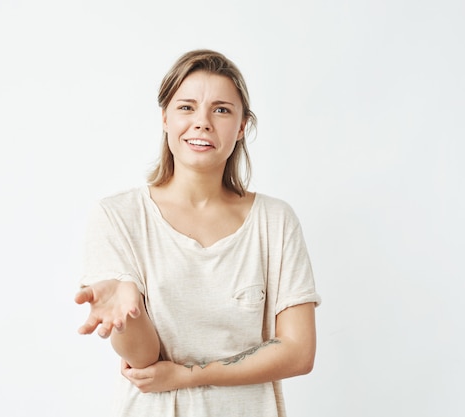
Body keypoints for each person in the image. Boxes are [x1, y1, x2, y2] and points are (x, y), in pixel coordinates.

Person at [74, 49, 321, 417]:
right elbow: (143, 360)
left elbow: (299, 352)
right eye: (186, 107)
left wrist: (189, 376)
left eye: (221, 109)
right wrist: (130, 313)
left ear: (241, 127)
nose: (202, 122)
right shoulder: (119, 216)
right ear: (165, 118)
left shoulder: (275, 221)